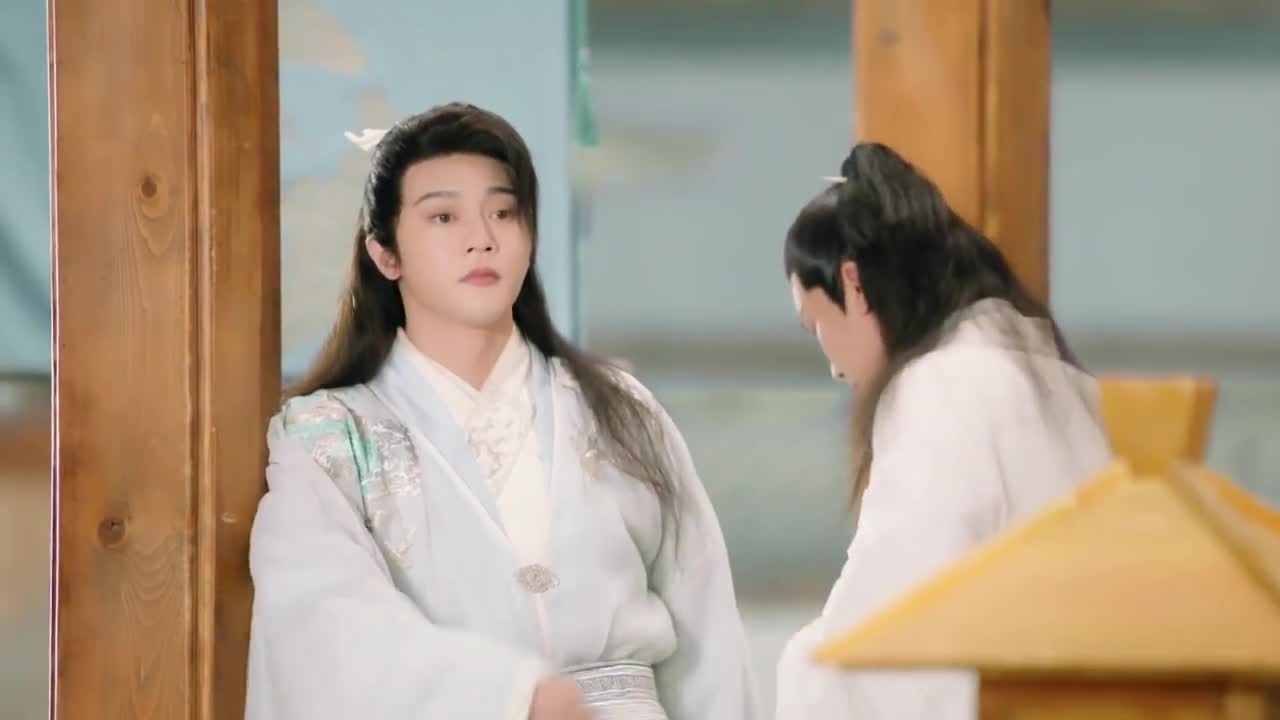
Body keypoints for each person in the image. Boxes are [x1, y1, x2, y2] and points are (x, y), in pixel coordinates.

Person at [245, 102, 760, 720]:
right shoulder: (328, 440)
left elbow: (710, 645)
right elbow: (323, 617)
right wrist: (510, 695)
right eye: (443, 216)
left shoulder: (623, 412)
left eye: (504, 212)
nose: (481, 238)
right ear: (385, 253)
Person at [774, 143, 1111, 719]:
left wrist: (803, 666)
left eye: (816, 326)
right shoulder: (1068, 386)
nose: (831, 366)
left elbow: (892, 626)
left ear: (853, 285)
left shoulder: (939, 390)